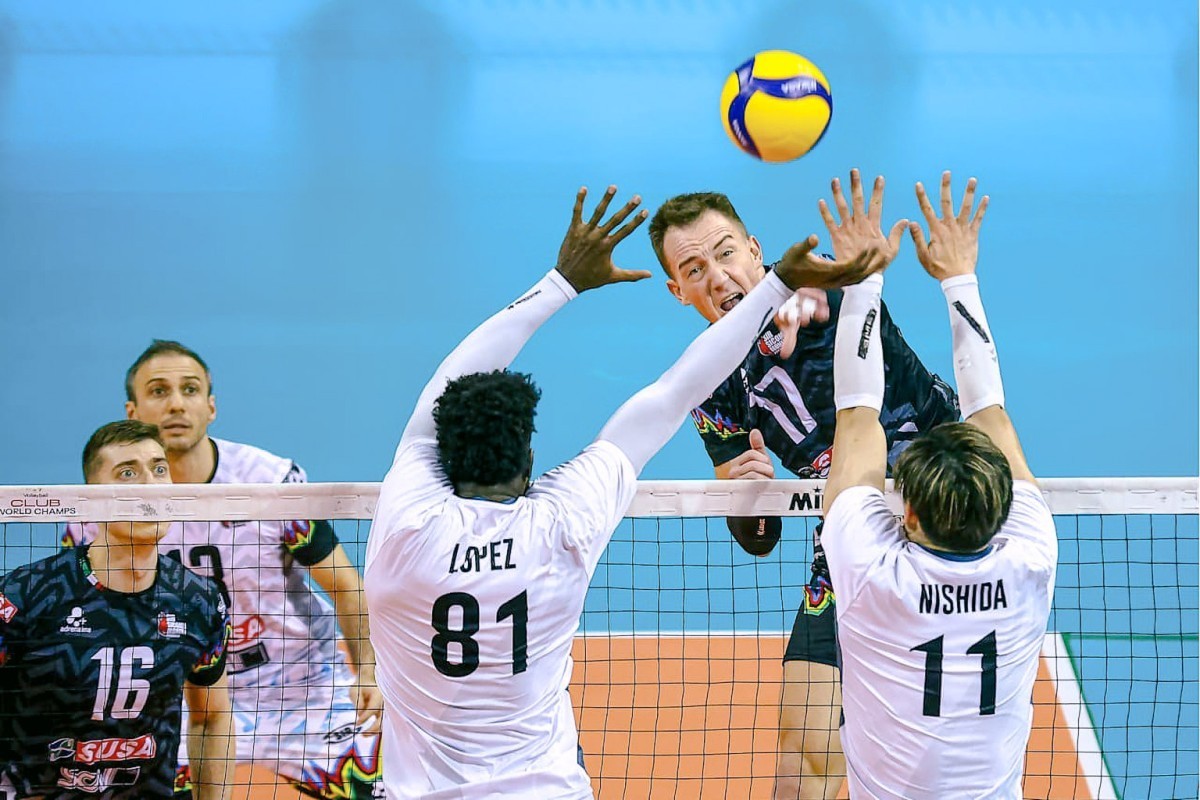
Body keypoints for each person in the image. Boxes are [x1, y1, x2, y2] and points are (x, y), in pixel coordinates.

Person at [363, 184, 888, 798]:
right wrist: (777, 286)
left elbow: (438, 396)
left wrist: (559, 284)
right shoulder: (563, 525)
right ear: (530, 460)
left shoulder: (403, 529)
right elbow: (674, 392)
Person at [648, 170, 960, 799]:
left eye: (726, 253)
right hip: (848, 536)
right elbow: (758, 537)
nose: (718, 277)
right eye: (695, 269)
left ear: (755, 250)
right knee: (803, 748)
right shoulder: (706, 385)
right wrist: (748, 496)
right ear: (678, 291)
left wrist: (799, 304)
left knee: (933, 759)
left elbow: (826, 294)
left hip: (946, 511)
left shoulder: (822, 294)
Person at [820, 172, 1056, 798]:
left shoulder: (874, 574)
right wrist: (958, 277)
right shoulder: (1030, 559)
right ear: (999, 507)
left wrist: (864, 278)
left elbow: (857, 415)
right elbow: (989, 415)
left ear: (910, 516)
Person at [65, 341, 383, 798]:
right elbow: (84, 619)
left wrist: (368, 671)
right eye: (159, 391)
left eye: (190, 389)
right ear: (133, 411)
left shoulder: (270, 482)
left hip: (302, 688)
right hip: (186, 700)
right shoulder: (98, 510)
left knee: (384, 788)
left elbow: (346, 586)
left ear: (210, 406)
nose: (176, 403)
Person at [0, 420, 233, 799]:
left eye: (159, 469)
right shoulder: (26, 594)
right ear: (93, 498)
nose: (150, 486)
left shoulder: (199, 601)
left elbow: (212, 718)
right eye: (128, 473)